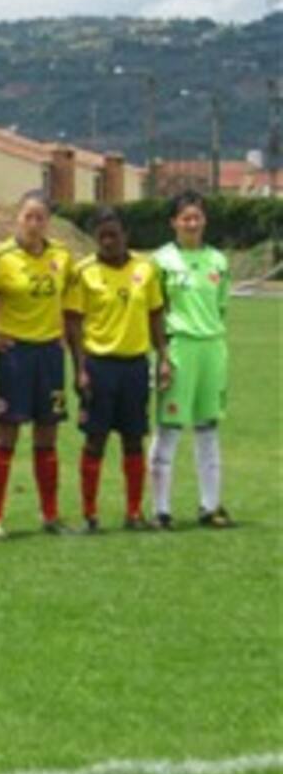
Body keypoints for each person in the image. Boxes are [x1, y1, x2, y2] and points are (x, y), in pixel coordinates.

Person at [63, 207, 170, 532]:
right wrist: (80, 368)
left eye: (114, 234)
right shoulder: (84, 272)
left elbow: (155, 316)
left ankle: (134, 513)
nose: (108, 241)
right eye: (102, 236)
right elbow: (74, 325)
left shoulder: (146, 270)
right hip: (99, 365)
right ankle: (90, 515)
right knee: (95, 440)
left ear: (127, 235)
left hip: (135, 366)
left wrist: (163, 355)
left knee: (134, 440)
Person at [0, 191, 74, 537]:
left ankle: (50, 515)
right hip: (14, 354)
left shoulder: (62, 256)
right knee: (6, 432)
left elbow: (68, 302)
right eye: (28, 217)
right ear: (16, 218)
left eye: (41, 218)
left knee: (47, 433)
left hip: (49, 354)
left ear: (48, 221)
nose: (34, 224)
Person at [148, 190, 233, 529]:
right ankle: (161, 510)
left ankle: (209, 506)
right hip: (179, 348)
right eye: (185, 218)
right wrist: (163, 354)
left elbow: (222, 307)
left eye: (197, 217)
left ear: (205, 220)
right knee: (169, 428)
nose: (192, 223)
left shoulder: (218, 261)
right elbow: (155, 311)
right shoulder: (161, 261)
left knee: (208, 428)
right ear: (174, 223)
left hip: (212, 348)